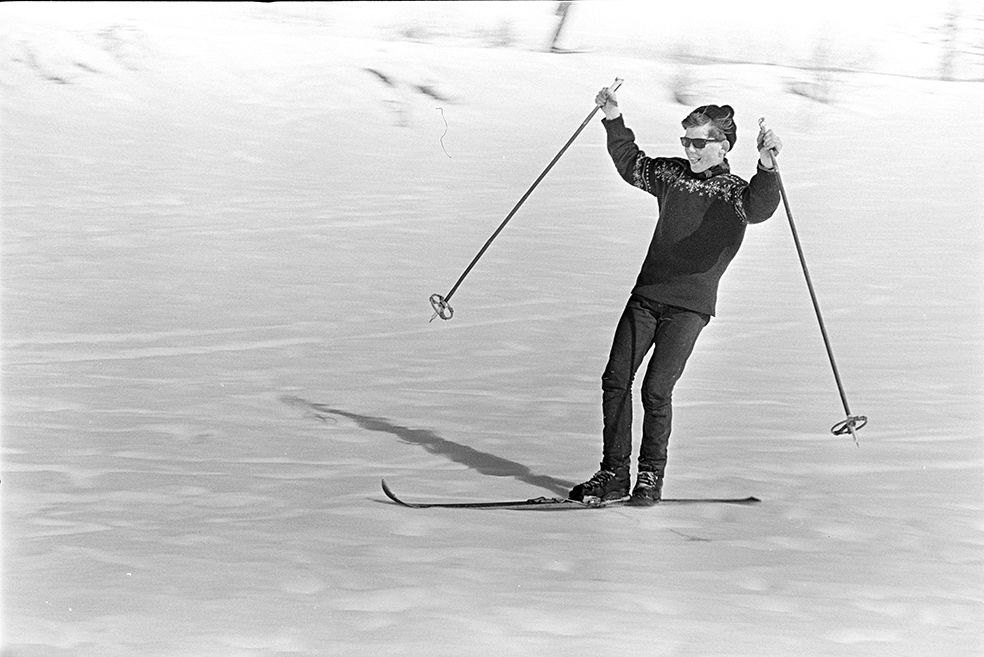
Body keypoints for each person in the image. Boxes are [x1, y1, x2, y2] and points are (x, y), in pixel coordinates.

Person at [569, 86, 783, 505]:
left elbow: (760, 208)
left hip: (689, 306)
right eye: (686, 141)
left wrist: (768, 166)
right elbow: (632, 164)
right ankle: (613, 473)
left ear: (723, 147)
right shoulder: (672, 175)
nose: (690, 149)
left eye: (699, 142)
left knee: (655, 390)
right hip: (647, 295)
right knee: (615, 379)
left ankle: (649, 477)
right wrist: (613, 119)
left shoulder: (733, 192)